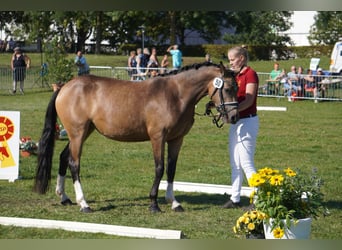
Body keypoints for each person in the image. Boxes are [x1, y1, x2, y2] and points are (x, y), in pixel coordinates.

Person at [222, 46, 259, 209]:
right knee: (235, 162)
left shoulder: (250, 74)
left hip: (248, 121)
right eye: (229, 60)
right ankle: (235, 198)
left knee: (246, 162)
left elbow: (249, 100)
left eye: (232, 59)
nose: (231, 63)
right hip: (237, 121)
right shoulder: (234, 75)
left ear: (242, 58)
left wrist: (231, 112)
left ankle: (259, 199)